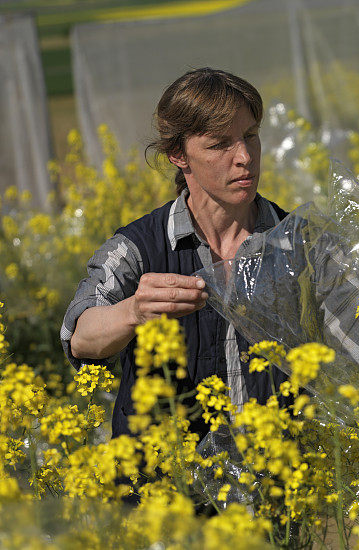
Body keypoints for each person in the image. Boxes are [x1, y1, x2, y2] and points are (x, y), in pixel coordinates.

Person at [62, 68, 299, 438]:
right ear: (178, 155)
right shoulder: (138, 248)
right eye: (220, 144)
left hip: (278, 484)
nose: (244, 157)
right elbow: (79, 335)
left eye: (250, 136)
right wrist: (133, 311)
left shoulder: (299, 244)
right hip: (166, 487)